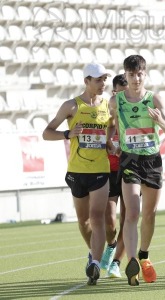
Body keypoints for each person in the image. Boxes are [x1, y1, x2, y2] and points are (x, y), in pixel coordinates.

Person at [42, 62, 114, 285]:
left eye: (104, 79)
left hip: (100, 171)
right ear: (86, 81)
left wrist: (111, 145)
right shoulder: (71, 106)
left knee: (97, 217)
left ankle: (95, 263)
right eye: (98, 79)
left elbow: (110, 135)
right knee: (83, 222)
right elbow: (46, 133)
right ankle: (93, 253)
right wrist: (67, 133)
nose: (103, 83)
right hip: (76, 171)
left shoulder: (109, 106)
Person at [109, 55, 165, 286]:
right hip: (130, 160)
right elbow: (111, 123)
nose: (135, 79)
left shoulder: (154, 99)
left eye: (139, 74)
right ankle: (132, 261)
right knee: (132, 213)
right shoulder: (116, 101)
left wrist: (161, 121)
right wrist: (111, 142)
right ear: (125, 76)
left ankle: (145, 256)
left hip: (152, 160)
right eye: (131, 75)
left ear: (145, 74)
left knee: (149, 214)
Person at [101, 74, 129, 278]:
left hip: (131, 169)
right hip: (110, 170)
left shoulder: (137, 111)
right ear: (114, 93)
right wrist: (108, 143)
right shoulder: (107, 114)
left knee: (129, 219)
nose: (123, 97)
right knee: (109, 219)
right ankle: (111, 246)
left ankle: (116, 263)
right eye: (119, 93)